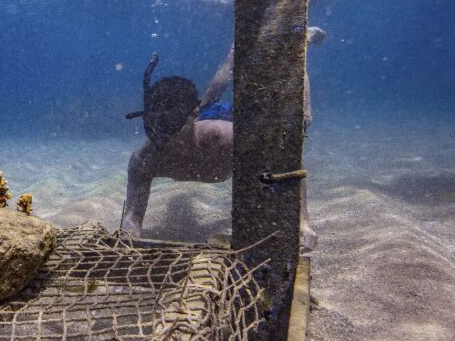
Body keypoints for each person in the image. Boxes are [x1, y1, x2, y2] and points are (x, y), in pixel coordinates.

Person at [120, 27, 326, 250]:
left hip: (225, 124)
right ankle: (232, 54)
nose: (163, 134)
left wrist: (302, 221)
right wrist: (127, 236)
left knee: (294, 124)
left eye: (171, 124)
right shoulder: (144, 160)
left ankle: (299, 42)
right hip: (201, 118)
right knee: (213, 91)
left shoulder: (228, 139)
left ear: (192, 116)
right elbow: (131, 219)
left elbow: (289, 159)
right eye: (154, 123)